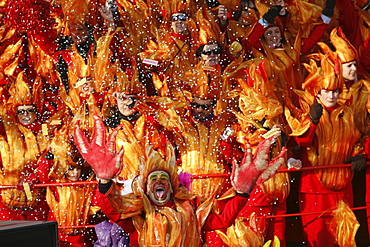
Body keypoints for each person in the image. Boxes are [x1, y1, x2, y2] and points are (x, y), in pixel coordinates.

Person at [73, 113, 286, 247]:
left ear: (173, 187)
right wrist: (104, 182)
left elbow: (222, 221)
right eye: (153, 179)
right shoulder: (139, 213)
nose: (159, 182)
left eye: (164, 179)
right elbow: (113, 210)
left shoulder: (191, 208)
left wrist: (242, 194)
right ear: (146, 189)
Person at [285, 54, 365, 246]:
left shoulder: (347, 113)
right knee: (318, 238)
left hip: (343, 188)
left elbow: (356, 140)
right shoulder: (308, 112)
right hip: (315, 190)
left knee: (345, 238)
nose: (331, 96)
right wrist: (312, 122)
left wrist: (359, 155)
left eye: (335, 91)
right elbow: (301, 142)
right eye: (326, 91)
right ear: (317, 92)